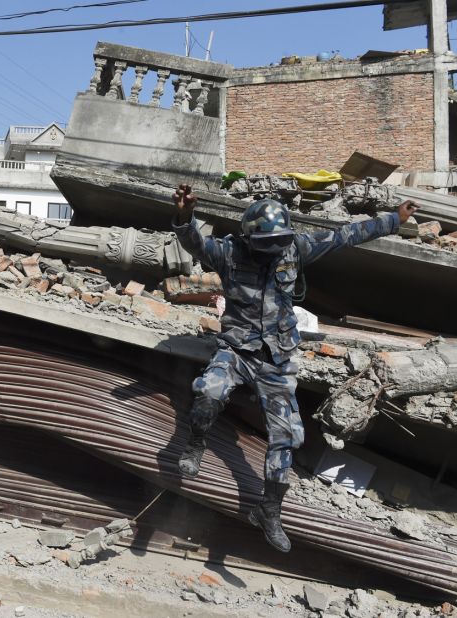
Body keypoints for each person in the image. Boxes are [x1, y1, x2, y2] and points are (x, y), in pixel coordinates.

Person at [170, 184, 419, 552]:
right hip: (236, 349)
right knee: (208, 391)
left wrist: (392, 219)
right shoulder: (229, 253)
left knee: (286, 438)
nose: (273, 250)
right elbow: (194, 243)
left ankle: (269, 510)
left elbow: (345, 236)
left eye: (278, 242)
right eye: (265, 244)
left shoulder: (296, 248)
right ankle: (195, 443)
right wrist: (183, 216)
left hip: (277, 358)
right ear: (250, 237)